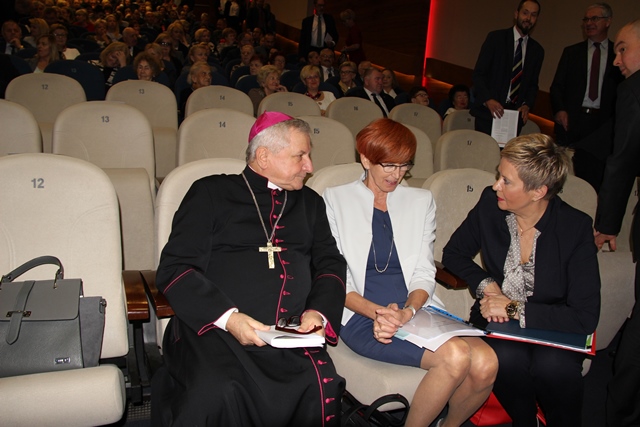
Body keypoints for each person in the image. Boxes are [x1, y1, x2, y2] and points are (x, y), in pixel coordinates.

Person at [151, 111, 347, 426]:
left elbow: (330, 263)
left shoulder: (310, 203)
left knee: (317, 384)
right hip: (213, 331)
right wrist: (229, 319)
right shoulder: (210, 192)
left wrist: (317, 313)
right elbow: (176, 267)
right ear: (264, 156)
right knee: (218, 391)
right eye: (300, 156)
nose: (310, 166)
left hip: (288, 333)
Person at [323, 118, 497, 427]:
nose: (397, 174)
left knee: (487, 362)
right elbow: (335, 277)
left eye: (405, 165)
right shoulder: (334, 199)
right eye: (389, 165)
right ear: (366, 159)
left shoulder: (420, 200)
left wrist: (408, 311)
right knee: (456, 356)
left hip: (414, 310)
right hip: (360, 313)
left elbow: (423, 271)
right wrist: (379, 314)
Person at [443, 133, 601, 426]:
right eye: (498, 176)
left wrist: (513, 308)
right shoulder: (490, 204)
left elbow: (585, 317)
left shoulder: (575, 227)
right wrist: (486, 284)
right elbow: (453, 254)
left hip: (553, 322)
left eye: (506, 181)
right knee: (506, 357)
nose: (496, 186)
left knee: (554, 367)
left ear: (538, 191)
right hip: (497, 320)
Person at [593, 19, 640, 427]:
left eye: (623, 48)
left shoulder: (635, 88)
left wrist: (607, 223)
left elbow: (623, 157)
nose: (616, 59)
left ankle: (622, 414)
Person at [550, 3, 623, 192]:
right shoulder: (572, 52)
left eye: (594, 19)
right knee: (566, 176)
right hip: (574, 121)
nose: (589, 23)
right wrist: (560, 110)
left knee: (595, 179)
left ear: (608, 21)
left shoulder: (617, 55)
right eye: (586, 19)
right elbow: (557, 87)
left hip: (602, 125)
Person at [471, 0, 544, 136]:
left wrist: (527, 104)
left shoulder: (537, 51)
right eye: (525, 13)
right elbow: (479, 74)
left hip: (514, 118)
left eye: (533, 15)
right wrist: (488, 99)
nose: (528, 18)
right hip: (488, 112)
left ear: (536, 19)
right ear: (516, 14)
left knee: (509, 151)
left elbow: (533, 85)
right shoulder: (496, 38)